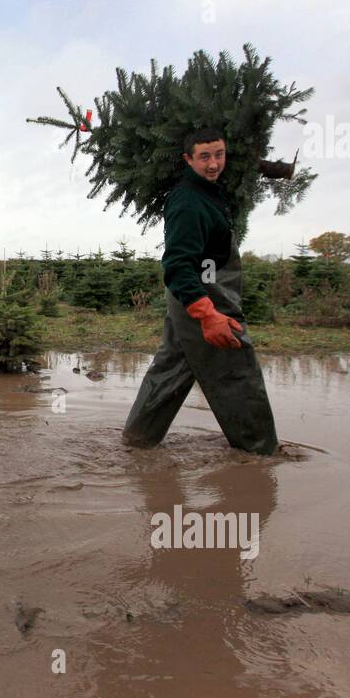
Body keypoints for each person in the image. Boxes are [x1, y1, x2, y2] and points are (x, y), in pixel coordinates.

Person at [122, 128, 279, 455]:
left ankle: (136, 444)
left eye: (219, 154)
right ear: (187, 160)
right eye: (204, 156)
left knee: (171, 372)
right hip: (204, 298)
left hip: (193, 299)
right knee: (237, 372)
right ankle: (260, 457)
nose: (213, 164)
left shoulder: (211, 189)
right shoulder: (189, 202)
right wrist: (208, 316)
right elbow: (178, 266)